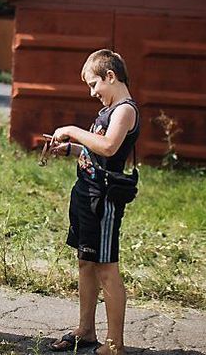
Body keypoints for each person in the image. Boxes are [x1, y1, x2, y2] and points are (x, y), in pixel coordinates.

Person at [48, 49, 139, 355]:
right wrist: (72, 150)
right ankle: (86, 331)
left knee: (106, 268)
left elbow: (110, 148)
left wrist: (73, 130)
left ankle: (115, 344)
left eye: (94, 84)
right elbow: (96, 152)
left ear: (110, 77)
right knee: (86, 262)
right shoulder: (108, 110)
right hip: (86, 194)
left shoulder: (124, 110)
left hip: (103, 201)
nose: (92, 92)